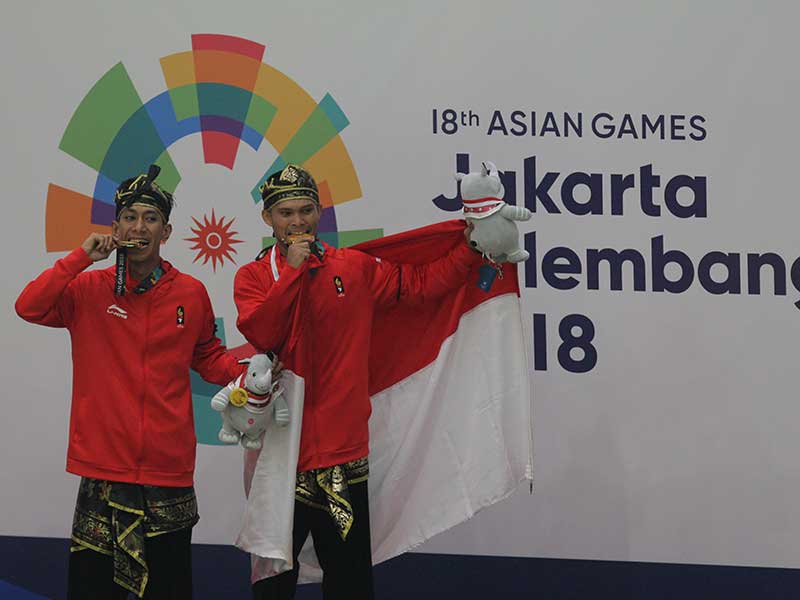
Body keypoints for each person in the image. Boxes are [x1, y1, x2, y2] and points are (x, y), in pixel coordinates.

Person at [233, 164, 481, 600]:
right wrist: (292, 272)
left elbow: (421, 287)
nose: (297, 222)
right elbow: (264, 334)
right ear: (267, 219)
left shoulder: (355, 267)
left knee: (350, 585)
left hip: (342, 460)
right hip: (278, 459)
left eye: (306, 210)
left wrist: (472, 246)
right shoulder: (253, 278)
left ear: (320, 213)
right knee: (272, 588)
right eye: (286, 213)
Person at [15, 165, 243, 599]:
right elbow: (28, 306)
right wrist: (80, 257)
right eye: (131, 217)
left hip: (168, 469)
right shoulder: (88, 289)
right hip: (104, 466)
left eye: (151, 218)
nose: (140, 226)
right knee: (93, 590)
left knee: (168, 588)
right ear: (116, 227)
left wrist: (249, 375)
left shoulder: (191, 292)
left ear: (167, 231)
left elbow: (209, 358)